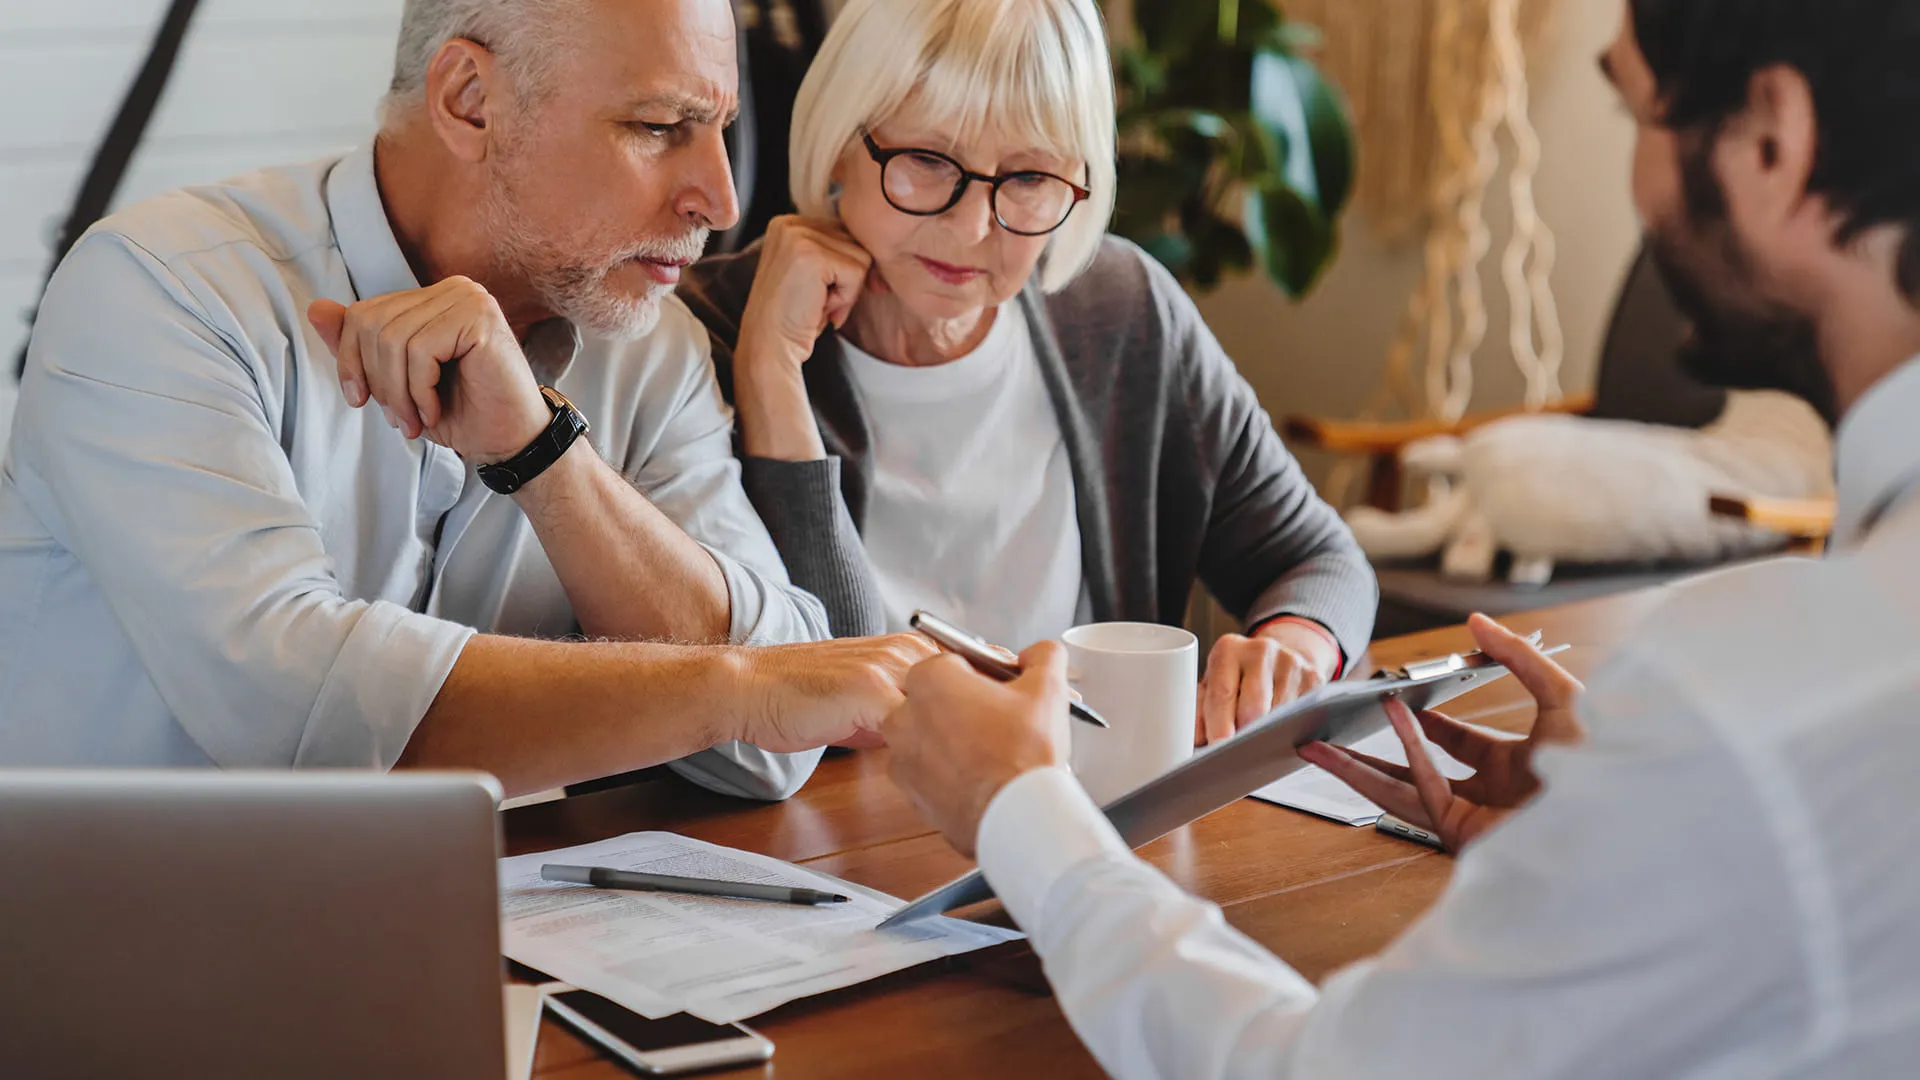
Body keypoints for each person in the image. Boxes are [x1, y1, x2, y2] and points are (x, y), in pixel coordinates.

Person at [878, 1, 1920, 1075]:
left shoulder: (1757, 702)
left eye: (1634, 114)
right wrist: (1614, 843)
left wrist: (1022, 817)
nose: (1638, 186)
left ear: (1772, 141)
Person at [0, 0, 936, 800]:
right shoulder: (162, 289)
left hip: (481, 945)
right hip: (106, 964)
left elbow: (772, 758)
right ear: (470, 101)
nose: (722, 199)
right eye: (658, 127)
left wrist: (543, 453)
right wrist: (737, 689)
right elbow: (293, 718)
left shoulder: (651, 344)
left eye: (720, 129)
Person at [680, 0, 1377, 748]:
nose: (974, 229)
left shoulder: (1119, 311)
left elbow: (1318, 559)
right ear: (837, 141)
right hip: (821, 842)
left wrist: (1294, 649)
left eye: (1029, 178)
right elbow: (814, 690)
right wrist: (770, 375)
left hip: (1077, 822)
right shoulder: (705, 331)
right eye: (926, 161)